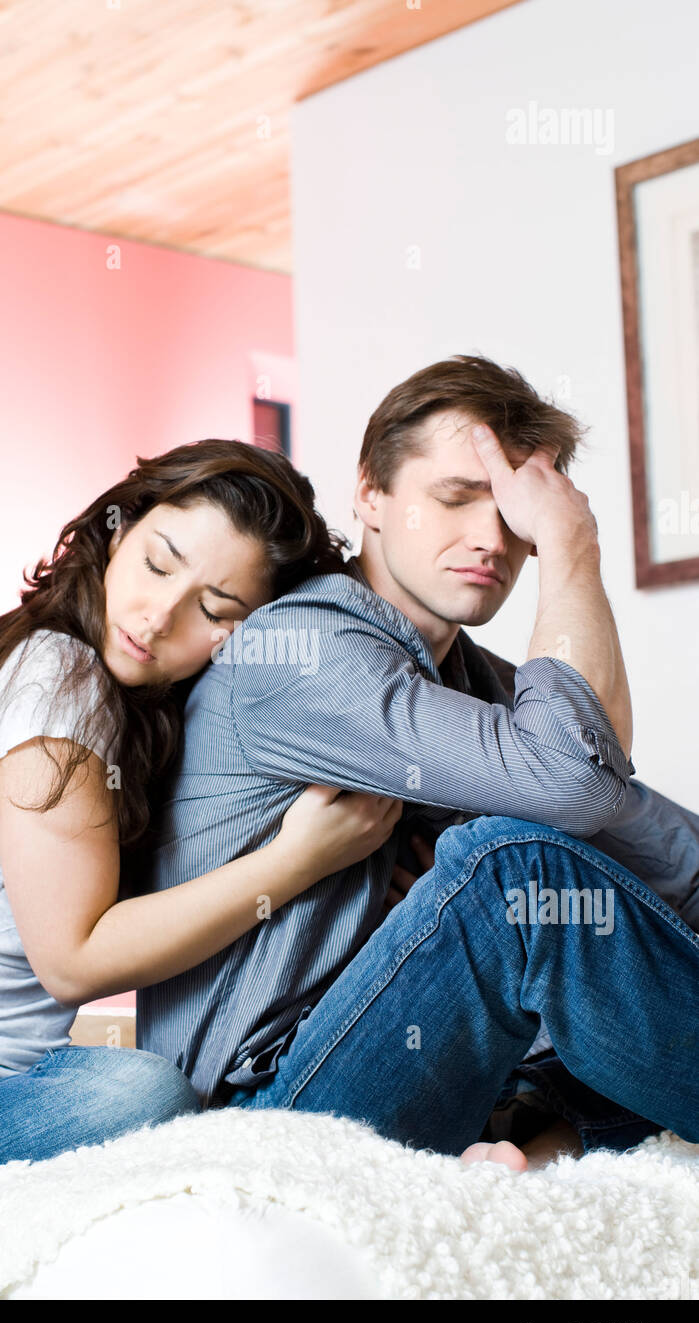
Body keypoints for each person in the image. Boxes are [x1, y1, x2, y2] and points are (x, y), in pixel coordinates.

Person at [132, 355, 699, 1168]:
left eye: (517, 516)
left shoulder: (480, 684)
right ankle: (542, 1133)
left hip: (424, 1067)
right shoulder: (299, 653)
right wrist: (575, 545)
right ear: (369, 495)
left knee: (613, 933)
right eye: (455, 498)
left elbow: (641, 830)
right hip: (266, 1113)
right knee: (512, 871)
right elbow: (572, 784)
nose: (489, 539)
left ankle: (534, 1141)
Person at [0, 440, 405, 1243]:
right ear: (116, 530)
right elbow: (73, 960)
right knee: (138, 1096)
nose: (157, 615)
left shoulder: (125, 715)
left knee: (140, 1091)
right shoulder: (56, 671)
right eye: (157, 562)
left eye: (215, 610)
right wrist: (297, 860)